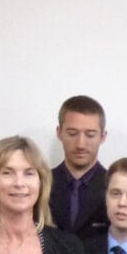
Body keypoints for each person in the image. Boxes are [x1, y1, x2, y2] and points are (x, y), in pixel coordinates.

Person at [49, 95, 109, 240]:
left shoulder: (115, 187)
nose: (81, 144)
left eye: (90, 135)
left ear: (103, 136)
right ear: (59, 133)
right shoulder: (39, 184)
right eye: (72, 133)